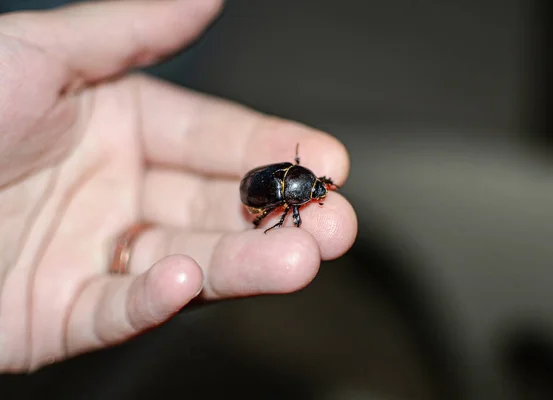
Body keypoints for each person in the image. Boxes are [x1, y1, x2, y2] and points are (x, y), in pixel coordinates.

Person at [0, 0, 357, 373]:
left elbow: (297, 192)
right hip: (257, 188)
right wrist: (283, 216)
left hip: (260, 184)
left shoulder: (295, 182)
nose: (317, 192)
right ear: (298, 188)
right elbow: (287, 205)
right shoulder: (288, 194)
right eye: (315, 188)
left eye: (316, 188)